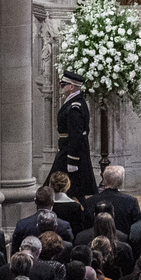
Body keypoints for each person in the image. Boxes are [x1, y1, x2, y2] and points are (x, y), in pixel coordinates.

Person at [45, 70, 97, 200]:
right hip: (68, 150)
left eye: (63, 84)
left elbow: (76, 135)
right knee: (76, 189)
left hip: (70, 153)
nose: (61, 87)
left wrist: (72, 160)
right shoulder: (74, 103)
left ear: (71, 87)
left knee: (55, 187)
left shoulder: (75, 107)